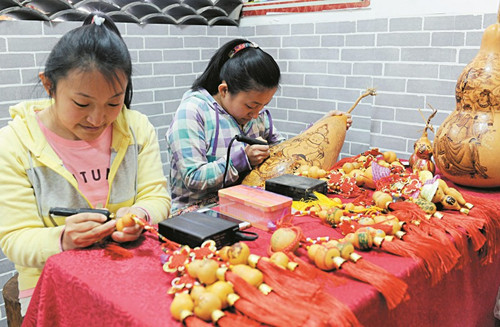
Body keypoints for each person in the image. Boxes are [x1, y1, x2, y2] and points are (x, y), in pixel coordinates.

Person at [0, 13, 171, 316]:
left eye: (114, 102)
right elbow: (15, 239)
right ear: (48, 85)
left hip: (128, 266)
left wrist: (140, 214)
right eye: (81, 104)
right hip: (51, 281)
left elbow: (157, 198)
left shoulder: (136, 128)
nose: (98, 119)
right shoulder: (14, 144)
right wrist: (63, 238)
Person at [166, 38, 351, 213]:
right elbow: (193, 178)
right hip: (198, 211)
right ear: (224, 90)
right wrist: (241, 160)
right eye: (250, 106)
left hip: (246, 203)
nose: (256, 114)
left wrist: (321, 127)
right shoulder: (192, 112)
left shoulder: (258, 115)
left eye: (264, 106)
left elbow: (283, 152)